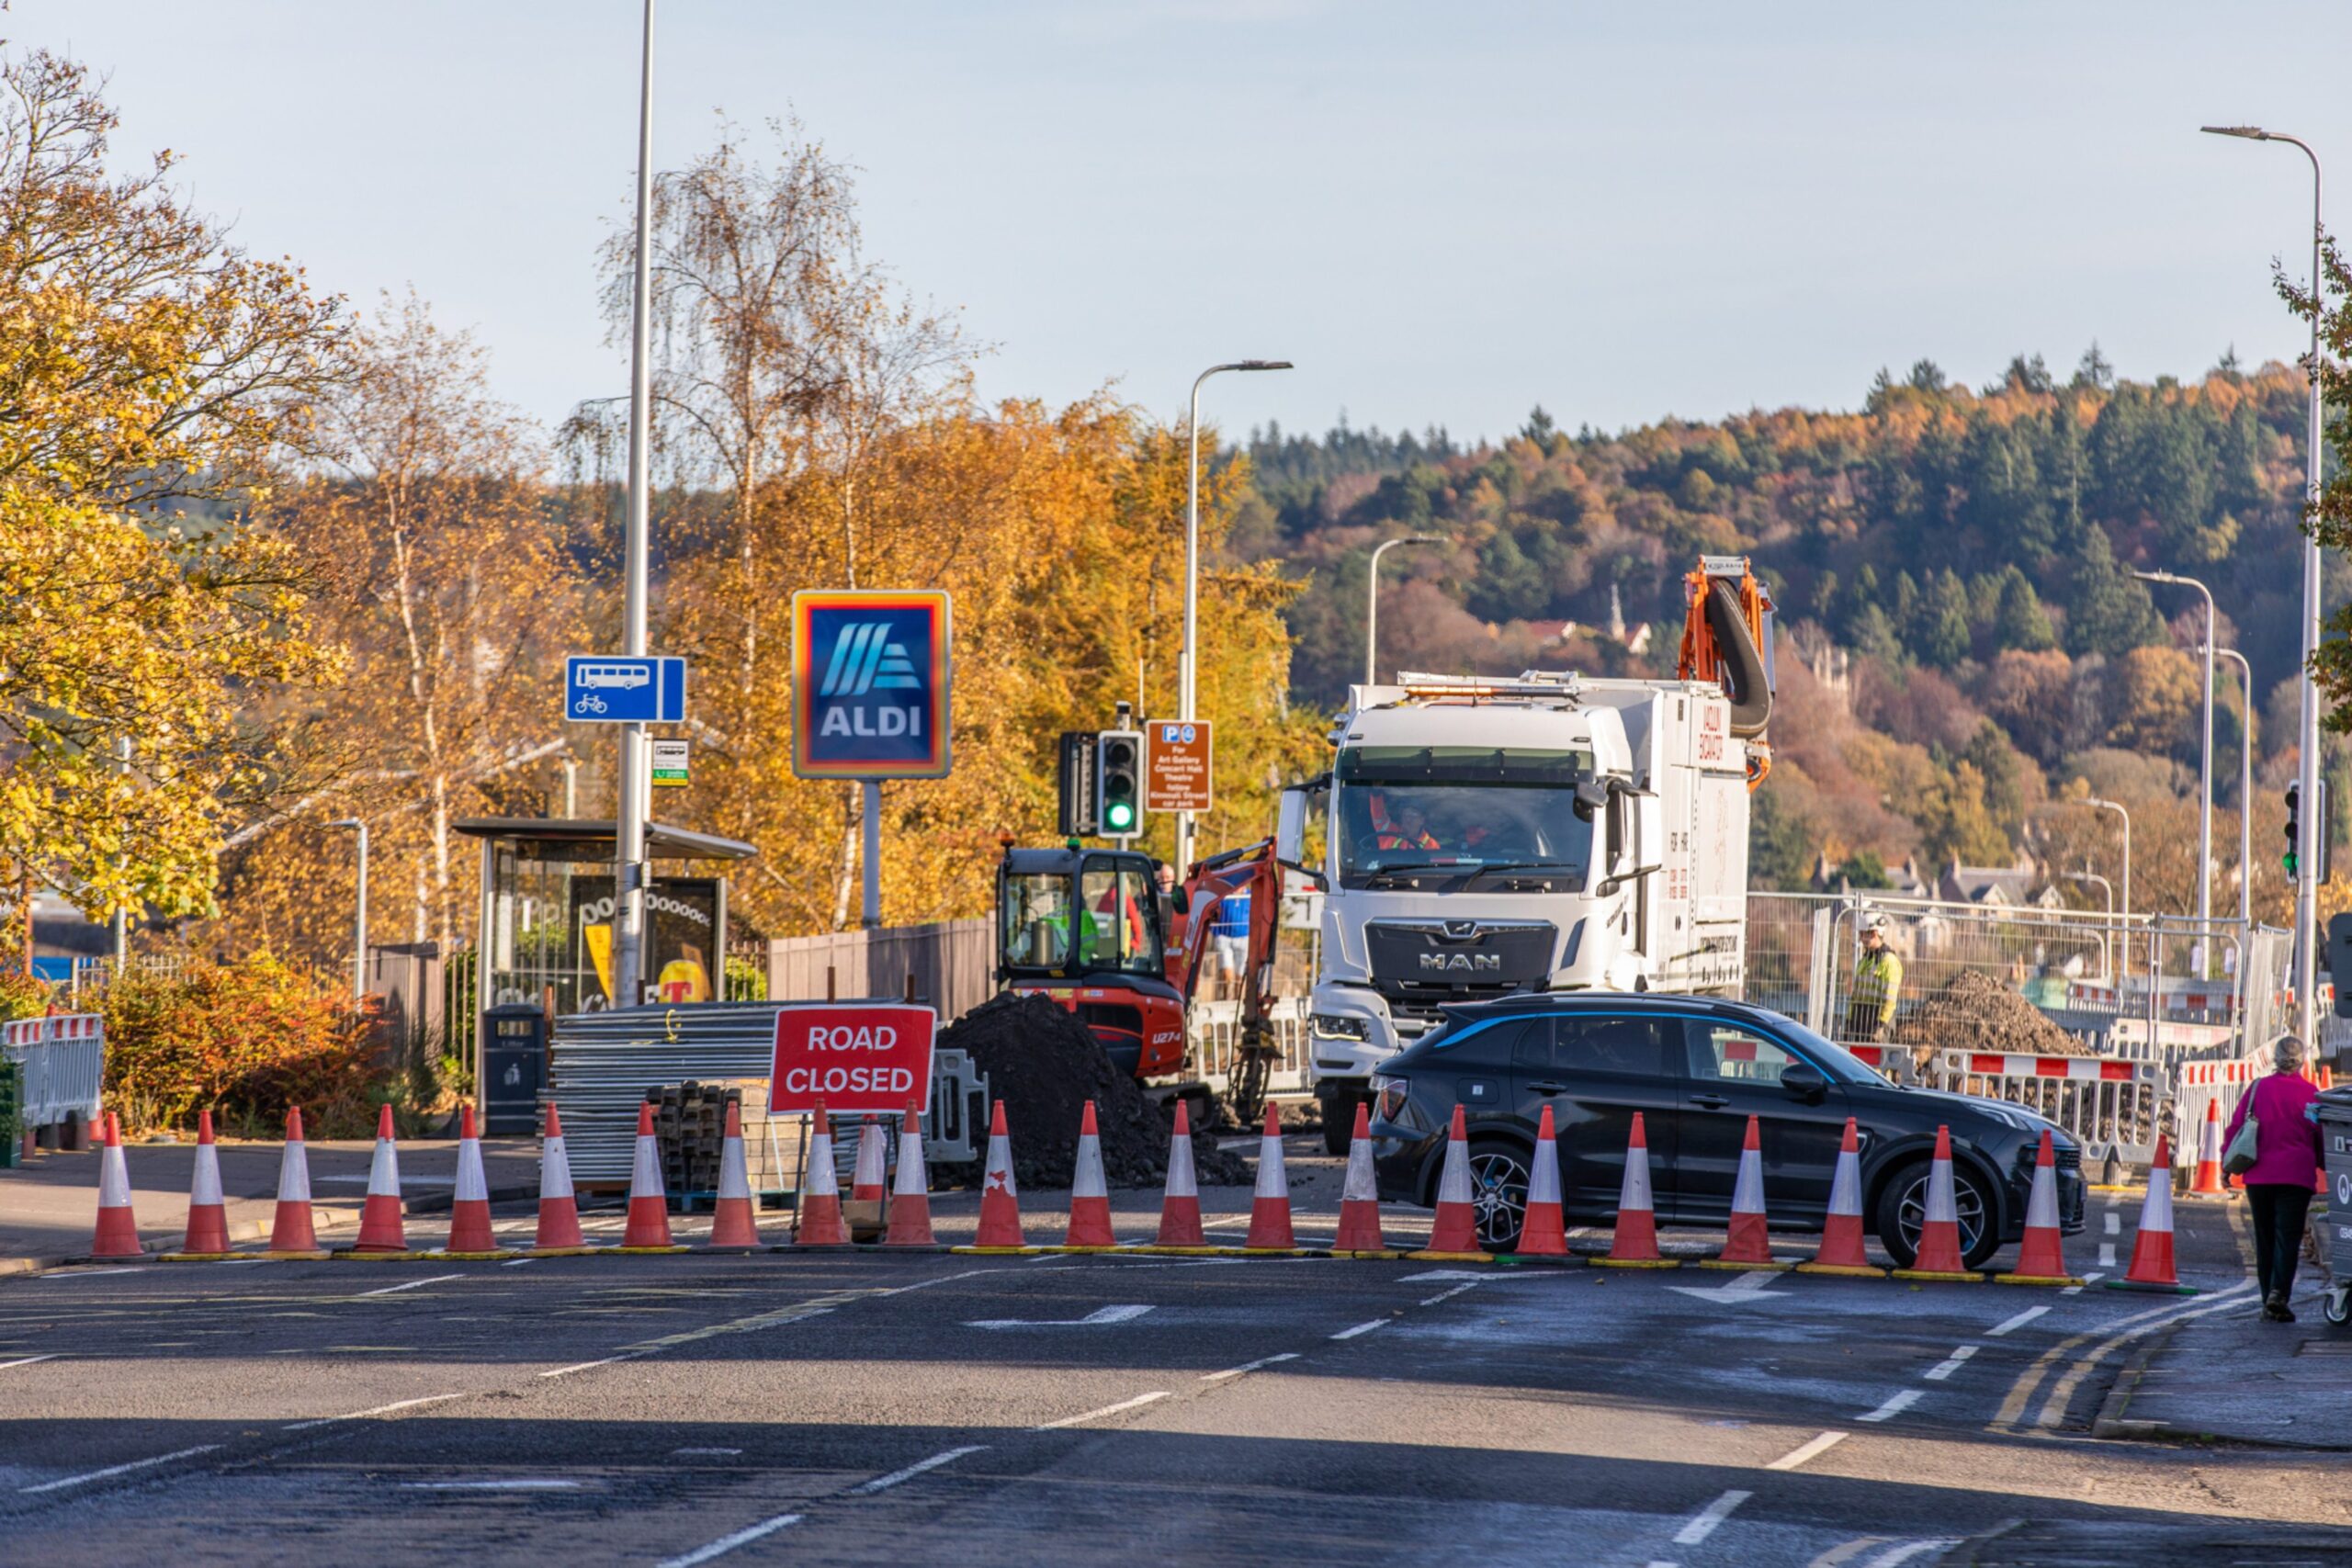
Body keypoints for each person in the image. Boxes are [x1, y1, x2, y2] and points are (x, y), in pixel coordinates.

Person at [2224, 1033, 2324, 1322]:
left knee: (2265, 1238)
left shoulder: (2257, 1089)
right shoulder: (2311, 1093)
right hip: (2296, 1177)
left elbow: (2236, 1129)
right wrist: (2323, 1163)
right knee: (2287, 1239)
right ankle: (2278, 1294)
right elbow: (2318, 1136)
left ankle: (2267, 1295)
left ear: (2275, 1058)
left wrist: (2226, 1165)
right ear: (2301, 1061)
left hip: (2260, 1176)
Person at [1844, 912, 1902, 1044]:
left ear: (1874, 933)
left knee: (1877, 1064)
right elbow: (1856, 995)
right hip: (1861, 1020)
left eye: (1863, 934)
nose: (1861, 938)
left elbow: (1889, 999)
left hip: (1877, 1022)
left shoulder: (1889, 962)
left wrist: (1881, 1026)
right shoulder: (1865, 960)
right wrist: (1850, 1019)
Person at [1376, 802, 1440, 852]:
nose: (1408, 819)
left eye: (1413, 816)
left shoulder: (1432, 845)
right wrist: (1376, 795)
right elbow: (1378, 815)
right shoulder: (1390, 836)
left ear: (1422, 820)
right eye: (1405, 815)